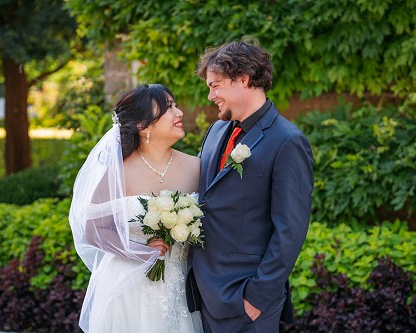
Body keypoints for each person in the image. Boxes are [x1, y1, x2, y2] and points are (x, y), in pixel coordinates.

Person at [186, 40, 314, 332]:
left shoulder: (287, 141)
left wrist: (256, 298)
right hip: (203, 294)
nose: (210, 95)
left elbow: (290, 229)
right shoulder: (217, 129)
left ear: (243, 79)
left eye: (215, 85)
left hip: (246, 300)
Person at [69, 84, 203, 333]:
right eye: (168, 108)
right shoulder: (117, 173)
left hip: (180, 286)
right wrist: (140, 251)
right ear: (144, 126)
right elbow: (92, 229)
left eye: (176, 105)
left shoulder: (196, 167)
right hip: (127, 289)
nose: (180, 113)